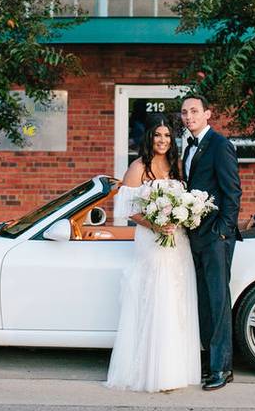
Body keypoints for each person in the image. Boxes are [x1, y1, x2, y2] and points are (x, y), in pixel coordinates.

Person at [105, 115, 202, 392]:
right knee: (155, 298)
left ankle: (176, 369)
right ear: (149, 137)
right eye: (158, 135)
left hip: (177, 241)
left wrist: (182, 217)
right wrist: (156, 225)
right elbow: (128, 210)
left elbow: (186, 201)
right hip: (151, 241)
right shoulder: (138, 167)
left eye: (167, 136)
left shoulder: (177, 165)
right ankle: (153, 371)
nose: (162, 140)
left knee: (176, 299)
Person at [181, 94, 242, 391]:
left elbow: (233, 192)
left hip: (216, 238)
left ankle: (222, 367)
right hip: (195, 236)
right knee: (204, 303)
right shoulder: (188, 148)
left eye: (194, 111)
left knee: (218, 302)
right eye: (184, 113)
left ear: (208, 113)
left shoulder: (220, 145)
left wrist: (222, 231)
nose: (189, 116)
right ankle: (210, 362)